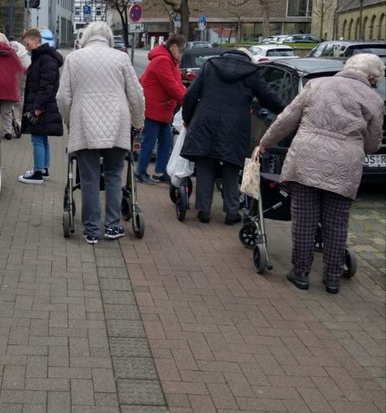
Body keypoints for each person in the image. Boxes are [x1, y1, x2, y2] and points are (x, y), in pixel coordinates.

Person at [259, 53, 384, 294]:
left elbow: (287, 119)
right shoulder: (374, 99)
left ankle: (301, 273)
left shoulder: (317, 85)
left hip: (306, 159)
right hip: (344, 165)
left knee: (304, 218)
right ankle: (332, 278)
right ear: (372, 76)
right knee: (336, 222)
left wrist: (266, 141)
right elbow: (372, 143)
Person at [57, 21, 144, 243]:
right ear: (108, 37)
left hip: (85, 122)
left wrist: (69, 122)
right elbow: (136, 95)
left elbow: (63, 98)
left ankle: (91, 230)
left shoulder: (74, 59)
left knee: (89, 178)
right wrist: (137, 121)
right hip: (117, 122)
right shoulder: (121, 58)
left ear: (86, 37)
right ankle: (113, 227)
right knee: (114, 174)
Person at [181, 47, 283, 224]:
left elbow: (191, 94)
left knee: (205, 163)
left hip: (205, 120)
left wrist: (187, 118)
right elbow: (269, 98)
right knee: (231, 165)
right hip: (235, 125)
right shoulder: (252, 71)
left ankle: (204, 211)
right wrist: (287, 111)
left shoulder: (210, 65)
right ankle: (232, 211)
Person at [136, 33, 186, 184]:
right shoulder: (163, 61)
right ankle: (140, 172)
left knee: (165, 141)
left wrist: (188, 96)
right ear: (174, 47)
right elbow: (172, 87)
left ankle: (160, 171)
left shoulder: (170, 61)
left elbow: (178, 85)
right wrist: (188, 101)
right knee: (149, 141)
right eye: (182, 50)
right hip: (154, 109)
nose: (182, 54)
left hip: (163, 109)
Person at [18, 27, 64, 184]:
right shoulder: (43, 58)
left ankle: (38, 172)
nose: (26, 47)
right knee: (42, 137)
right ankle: (43, 169)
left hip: (41, 105)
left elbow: (47, 86)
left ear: (36, 40)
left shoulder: (45, 59)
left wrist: (37, 107)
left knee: (37, 137)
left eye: (27, 43)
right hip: (43, 104)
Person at [10, 39, 31, 129]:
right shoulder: (23, 52)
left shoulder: (9, 48)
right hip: (24, 74)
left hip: (14, 75)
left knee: (12, 97)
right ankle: (21, 118)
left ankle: (13, 117)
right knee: (22, 96)